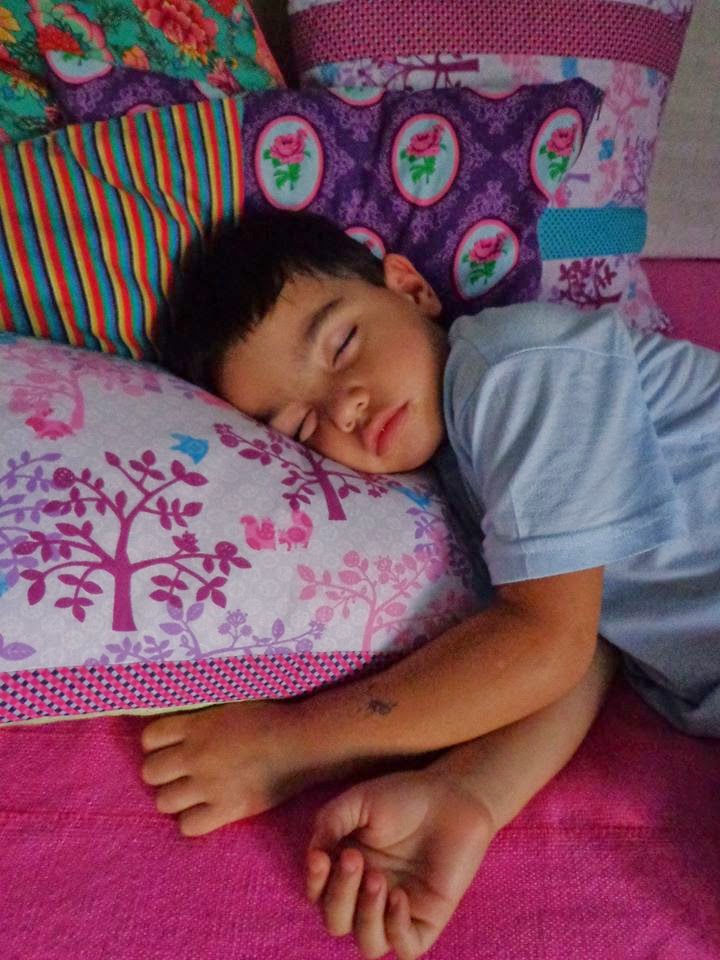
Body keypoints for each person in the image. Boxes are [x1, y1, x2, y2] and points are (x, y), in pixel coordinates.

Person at [146, 210, 719, 960]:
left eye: (342, 344)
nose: (344, 405)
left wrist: (291, 742)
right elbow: (586, 649)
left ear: (410, 288)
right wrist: (468, 793)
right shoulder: (462, 491)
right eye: (301, 427)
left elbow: (548, 642)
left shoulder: (517, 365)